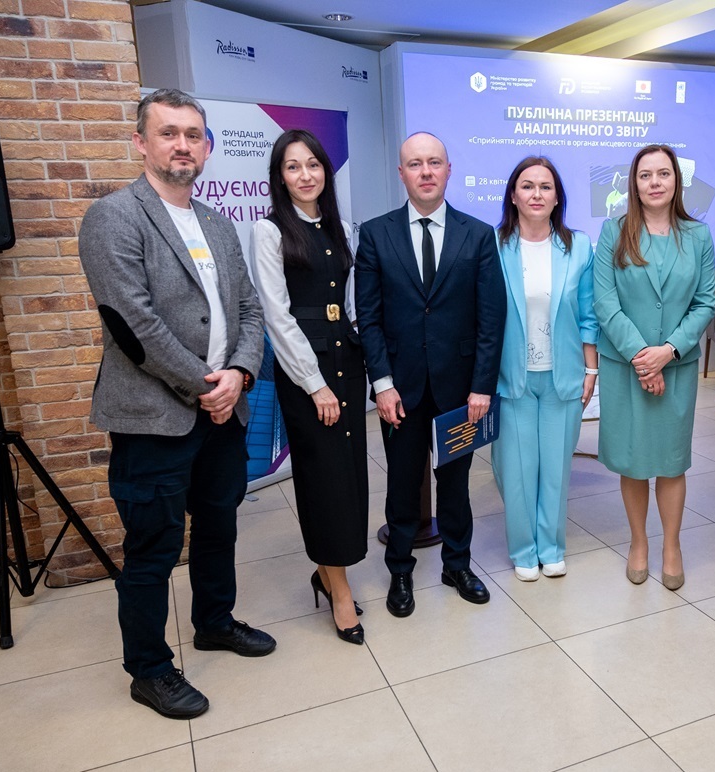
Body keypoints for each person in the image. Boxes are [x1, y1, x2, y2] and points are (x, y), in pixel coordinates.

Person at [78, 88, 274, 720]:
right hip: (154, 419)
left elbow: (248, 309)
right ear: (141, 142)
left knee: (218, 526)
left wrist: (239, 373)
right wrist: (207, 386)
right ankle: (149, 669)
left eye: (193, 134)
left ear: (207, 147)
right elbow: (133, 326)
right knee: (154, 547)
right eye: (168, 133)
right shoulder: (114, 217)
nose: (182, 145)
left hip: (223, 412)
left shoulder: (216, 222)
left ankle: (214, 621)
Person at [354, 132, 505, 617]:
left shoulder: (477, 234)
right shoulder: (375, 234)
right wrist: (381, 384)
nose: (425, 171)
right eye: (415, 164)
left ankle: (456, 565)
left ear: (448, 169)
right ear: (401, 173)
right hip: (398, 390)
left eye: (434, 162)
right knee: (402, 485)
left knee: (456, 484)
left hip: (460, 389)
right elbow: (368, 317)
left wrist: (482, 386)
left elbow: (491, 318)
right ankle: (400, 570)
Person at [250, 130, 367, 645]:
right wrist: (316, 385)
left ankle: (328, 572)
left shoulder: (340, 227)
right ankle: (339, 590)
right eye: (293, 167)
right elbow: (277, 316)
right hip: (308, 375)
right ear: (280, 177)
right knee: (323, 483)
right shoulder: (269, 231)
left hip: (348, 364)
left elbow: (352, 302)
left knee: (350, 476)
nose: (305, 175)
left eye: (313, 165)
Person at [593, 144, 715, 590]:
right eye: (645, 175)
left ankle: (672, 546)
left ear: (676, 180)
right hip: (625, 367)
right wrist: (643, 357)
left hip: (677, 367)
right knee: (633, 461)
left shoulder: (698, 235)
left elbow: (705, 303)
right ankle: (639, 543)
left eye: (663, 173)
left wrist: (668, 351)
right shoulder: (613, 231)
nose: (655, 182)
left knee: (670, 461)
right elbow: (604, 302)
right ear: (634, 183)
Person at [490, 156, 598, 581]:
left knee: (556, 469)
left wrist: (591, 371)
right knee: (516, 471)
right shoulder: (494, 246)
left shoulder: (579, 247)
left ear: (557, 198)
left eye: (545, 187)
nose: (536, 194)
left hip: (563, 376)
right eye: (527, 186)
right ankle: (523, 549)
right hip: (510, 378)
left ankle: (551, 547)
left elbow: (588, 314)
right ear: (513, 196)